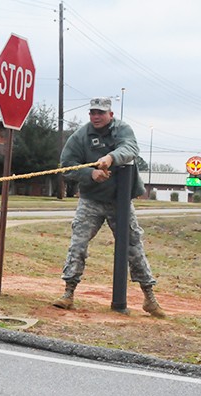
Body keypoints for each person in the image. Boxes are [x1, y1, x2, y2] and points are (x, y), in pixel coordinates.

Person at [53, 97, 166, 318]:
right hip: (91, 200)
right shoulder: (81, 136)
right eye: (92, 112)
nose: (96, 116)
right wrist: (90, 174)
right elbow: (66, 166)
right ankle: (68, 293)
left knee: (134, 247)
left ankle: (149, 297)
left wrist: (110, 157)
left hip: (120, 201)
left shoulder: (122, 129)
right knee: (78, 244)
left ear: (110, 115)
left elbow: (131, 148)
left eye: (101, 113)